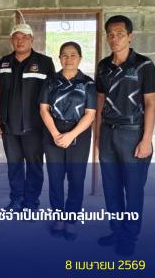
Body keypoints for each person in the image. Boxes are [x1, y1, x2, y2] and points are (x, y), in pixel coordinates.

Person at [95, 15, 155, 256]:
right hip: (108, 133)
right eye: (110, 34)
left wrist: (147, 139)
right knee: (111, 188)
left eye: (120, 34)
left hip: (133, 134)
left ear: (130, 37)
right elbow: (100, 101)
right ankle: (117, 230)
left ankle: (130, 236)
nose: (115, 38)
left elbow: (151, 103)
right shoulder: (103, 66)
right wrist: (98, 135)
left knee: (133, 189)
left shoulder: (143, 65)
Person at [0, 23, 55, 211]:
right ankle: (16, 199)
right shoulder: (4, 62)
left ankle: (31, 201)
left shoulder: (45, 63)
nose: (20, 41)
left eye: (24, 37)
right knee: (14, 165)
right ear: (11, 40)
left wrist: (51, 124)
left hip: (35, 126)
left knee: (34, 165)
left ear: (32, 39)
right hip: (8, 125)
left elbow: (52, 93)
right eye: (16, 38)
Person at [39, 42, 96, 240]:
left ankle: (71, 220)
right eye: (64, 55)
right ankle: (58, 217)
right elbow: (43, 109)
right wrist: (56, 134)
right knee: (55, 177)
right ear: (59, 58)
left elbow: (90, 114)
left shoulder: (88, 83)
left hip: (79, 133)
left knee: (76, 178)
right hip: (52, 131)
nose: (68, 58)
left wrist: (71, 135)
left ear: (80, 58)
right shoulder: (50, 81)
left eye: (73, 55)